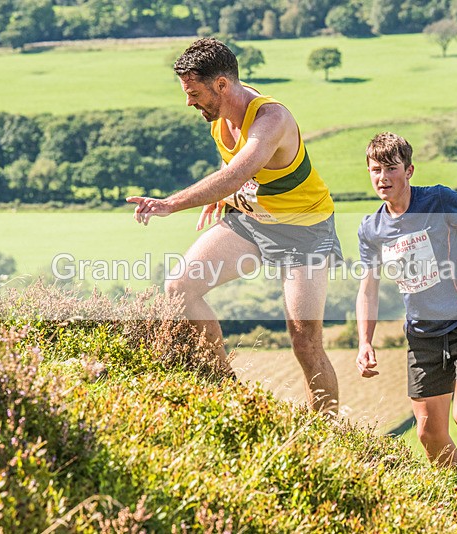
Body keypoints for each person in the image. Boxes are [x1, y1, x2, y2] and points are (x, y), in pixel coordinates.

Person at [126, 38, 342, 414]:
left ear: (222, 85)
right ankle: (229, 392)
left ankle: (327, 431)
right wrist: (224, 196)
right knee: (180, 287)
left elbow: (237, 172)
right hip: (251, 221)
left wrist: (171, 203)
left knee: (305, 341)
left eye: (194, 93)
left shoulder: (272, 120)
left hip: (304, 232)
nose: (189, 103)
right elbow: (232, 168)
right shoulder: (220, 114)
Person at [355, 132, 457, 469]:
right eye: (376, 170)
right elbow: (368, 289)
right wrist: (365, 341)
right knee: (428, 433)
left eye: (391, 168)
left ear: (409, 171)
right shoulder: (371, 229)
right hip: (423, 335)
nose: (383, 177)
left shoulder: (438, 200)